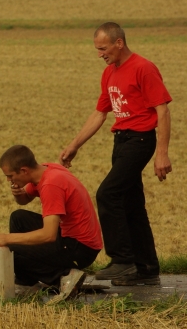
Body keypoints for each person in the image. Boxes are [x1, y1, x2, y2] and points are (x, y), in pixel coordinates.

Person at [59, 22, 172, 286]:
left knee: (108, 194)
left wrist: (161, 154)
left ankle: (122, 260)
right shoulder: (110, 73)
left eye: (103, 48)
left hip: (140, 140)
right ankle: (146, 268)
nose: (100, 54)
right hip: (120, 141)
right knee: (132, 205)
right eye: (97, 49)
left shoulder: (143, 68)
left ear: (118, 43)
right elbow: (100, 113)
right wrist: (75, 144)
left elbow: (163, 111)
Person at [0, 146, 103, 301]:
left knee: (12, 249)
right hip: (76, 239)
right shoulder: (46, 170)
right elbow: (25, 199)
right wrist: (18, 195)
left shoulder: (50, 185)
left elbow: (48, 235)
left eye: (10, 175)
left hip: (80, 249)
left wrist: (7, 239)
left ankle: (63, 277)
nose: (8, 180)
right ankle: (27, 281)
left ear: (24, 170)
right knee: (18, 218)